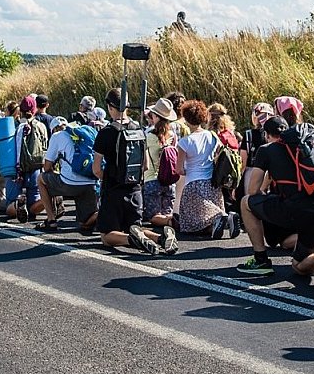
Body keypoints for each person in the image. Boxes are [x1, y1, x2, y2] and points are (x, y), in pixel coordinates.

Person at [235, 116, 314, 286]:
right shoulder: (306, 148)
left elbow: (253, 191)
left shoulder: (266, 150)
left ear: (266, 135)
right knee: (299, 267)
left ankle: (260, 260)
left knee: (246, 202)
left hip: (293, 210)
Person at [93, 88, 176, 255]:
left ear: (110, 107)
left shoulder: (106, 133)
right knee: (134, 227)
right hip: (135, 189)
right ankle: (160, 238)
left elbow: (96, 169)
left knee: (106, 236)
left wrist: (108, 178)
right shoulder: (139, 129)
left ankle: (131, 240)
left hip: (114, 189)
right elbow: (144, 165)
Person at [175, 100, 235, 238]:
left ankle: (221, 216)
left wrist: (187, 170)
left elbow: (179, 170)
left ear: (186, 118)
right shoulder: (212, 136)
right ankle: (224, 218)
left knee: (190, 222)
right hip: (212, 182)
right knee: (207, 216)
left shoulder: (184, 142)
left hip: (193, 183)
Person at [37, 115, 101, 234]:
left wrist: (55, 171)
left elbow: (46, 167)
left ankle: (51, 220)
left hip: (69, 183)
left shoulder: (57, 136)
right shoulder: (83, 134)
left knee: (41, 179)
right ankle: (104, 212)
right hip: (90, 182)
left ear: (54, 129)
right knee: (85, 225)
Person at [4, 95, 47, 221]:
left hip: (15, 169)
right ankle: (49, 200)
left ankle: (17, 204)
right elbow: (45, 146)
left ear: (20, 110)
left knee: (9, 206)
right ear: (34, 110)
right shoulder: (41, 126)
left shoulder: (13, 126)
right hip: (35, 167)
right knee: (34, 201)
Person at [142, 98, 179, 234]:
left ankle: (171, 221)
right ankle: (171, 221)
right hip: (169, 180)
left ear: (156, 116)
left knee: (153, 217)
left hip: (152, 179)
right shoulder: (172, 135)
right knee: (166, 211)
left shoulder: (148, 135)